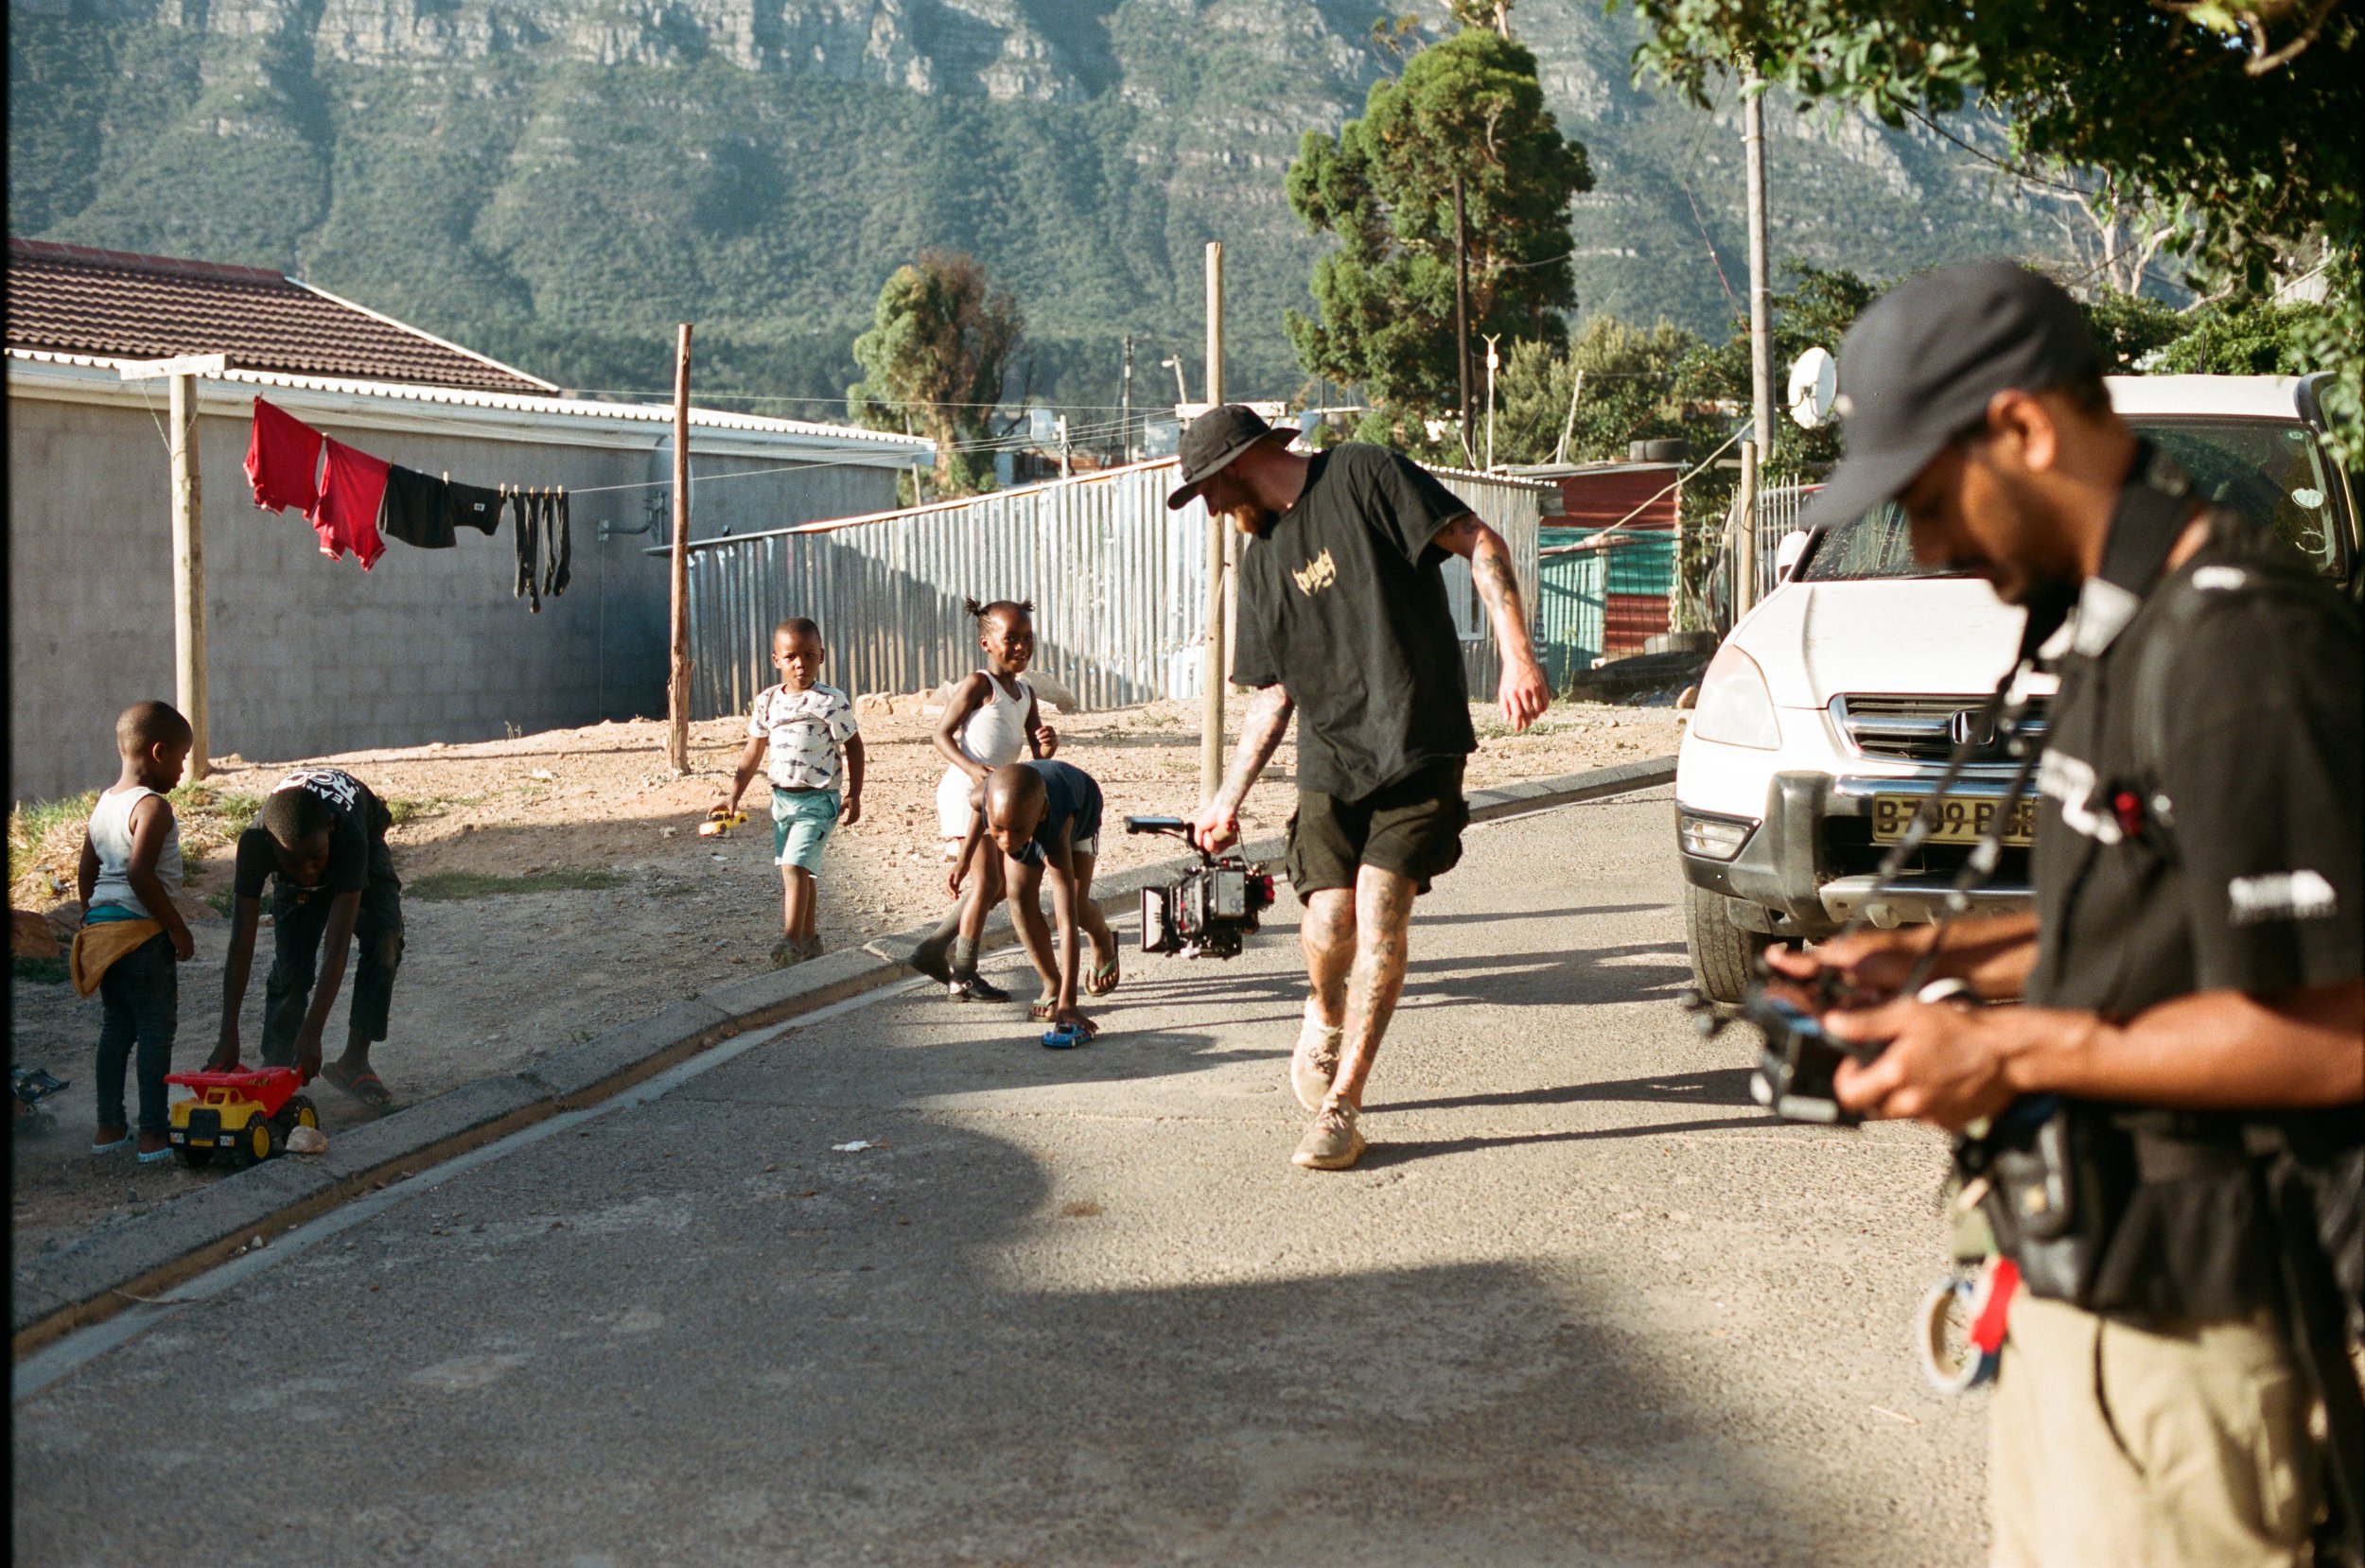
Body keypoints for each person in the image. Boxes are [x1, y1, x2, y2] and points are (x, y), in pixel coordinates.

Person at [1766, 261, 2363, 1568]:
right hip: (2082, 1286)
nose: (1926, 546)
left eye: (1927, 499)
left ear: (2026, 429)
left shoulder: (2242, 649)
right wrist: (1931, 956)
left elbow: (2338, 1028)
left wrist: (2011, 1049)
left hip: (2199, 1335)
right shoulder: (2117, 625)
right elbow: (2152, 912)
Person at [1182, 406, 1550, 1170]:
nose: (1212, 508)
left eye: (1209, 490)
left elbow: (1479, 538)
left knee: (1381, 912)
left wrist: (1517, 655)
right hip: (1330, 758)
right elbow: (1274, 692)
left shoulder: (1363, 474)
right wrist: (1226, 798)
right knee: (1328, 926)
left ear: (1237, 466)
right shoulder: (1258, 563)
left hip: (1419, 740)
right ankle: (1322, 1011)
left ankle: (1343, 1106)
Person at [211, 766, 405, 1108]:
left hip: (362, 837)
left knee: (384, 938)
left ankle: (354, 1060)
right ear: (272, 849)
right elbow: (241, 942)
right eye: (294, 865)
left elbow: (337, 944)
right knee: (291, 967)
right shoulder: (257, 843)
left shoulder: (347, 837)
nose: (308, 872)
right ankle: (276, 1069)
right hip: (301, 841)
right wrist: (228, 1031)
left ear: (329, 829)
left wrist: (313, 1031)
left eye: (315, 860)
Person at [71, 701, 197, 1162]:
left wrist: (93, 916)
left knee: (116, 1029)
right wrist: (177, 929)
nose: (184, 769)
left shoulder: (104, 804)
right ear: (159, 752)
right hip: (143, 936)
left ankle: (108, 1128)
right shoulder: (153, 807)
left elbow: (88, 871)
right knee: (154, 1031)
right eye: (182, 758)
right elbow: (142, 875)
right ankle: (152, 1135)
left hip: (105, 934)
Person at [920, 598, 1058, 1001]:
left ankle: (932, 949)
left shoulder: (1027, 693)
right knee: (988, 883)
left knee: (996, 889)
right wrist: (972, 768)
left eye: (1027, 638)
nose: (1021, 647)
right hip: (966, 794)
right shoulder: (980, 684)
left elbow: (1037, 753)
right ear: (986, 644)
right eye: (1010, 639)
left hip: (997, 798)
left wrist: (1047, 747)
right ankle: (963, 973)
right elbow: (940, 735)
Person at [720, 617, 865, 966]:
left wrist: (854, 794)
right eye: (792, 657)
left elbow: (855, 747)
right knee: (805, 869)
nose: (801, 664)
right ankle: (809, 941)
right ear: (776, 660)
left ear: (822, 656)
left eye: (810, 655)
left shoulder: (830, 701)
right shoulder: (767, 701)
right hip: (782, 801)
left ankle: (787, 941)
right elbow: (752, 751)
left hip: (819, 799)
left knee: (793, 867)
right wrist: (732, 795)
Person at [960, 759, 1117, 1038]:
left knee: (1077, 908)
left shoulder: (1054, 829)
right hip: (1023, 810)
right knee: (1018, 898)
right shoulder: (985, 801)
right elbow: (977, 811)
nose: (1006, 842)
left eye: (1017, 831)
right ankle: (1051, 982)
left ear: (1041, 814)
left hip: (1080, 810)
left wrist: (1070, 1005)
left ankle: (1103, 938)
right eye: (998, 830)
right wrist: (963, 861)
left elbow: (1065, 922)